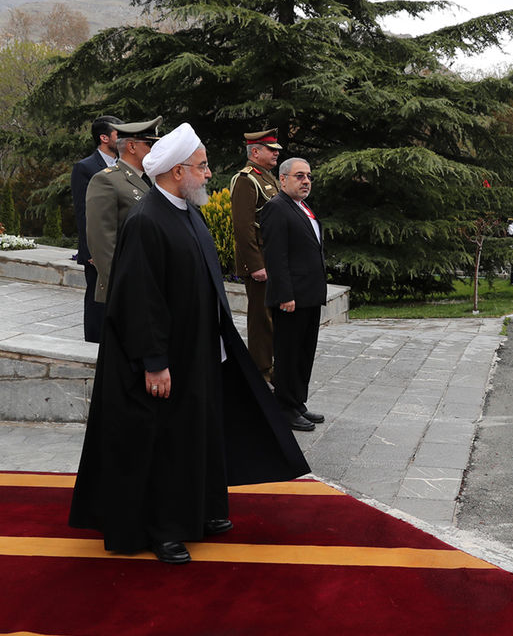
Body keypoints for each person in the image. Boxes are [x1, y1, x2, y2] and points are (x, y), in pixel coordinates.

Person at [69, 123, 309, 565]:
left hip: (199, 352)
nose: (208, 174)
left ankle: (201, 512)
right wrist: (155, 361)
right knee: (165, 444)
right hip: (165, 360)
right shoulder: (146, 220)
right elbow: (142, 299)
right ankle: (164, 529)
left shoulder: (187, 211)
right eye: (201, 167)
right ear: (178, 172)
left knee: (196, 437)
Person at [260, 157, 326, 432]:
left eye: (308, 176)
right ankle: (285, 407)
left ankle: (297, 402)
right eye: (299, 176)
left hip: (309, 295)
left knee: (303, 353)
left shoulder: (302, 207)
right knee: (288, 354)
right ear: (283, 179)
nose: (306, 181)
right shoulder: (276, 208)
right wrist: (285, 294)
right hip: (292, 298)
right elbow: (276, 256)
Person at [84, 117, 162, 304]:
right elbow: (101, 241)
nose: (154, 150)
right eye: (149, 144)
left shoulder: (151, 179)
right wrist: (119, 286)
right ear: (131, 147)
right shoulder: (107, 180)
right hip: (127, 285)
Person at [230, 129, 282, 382]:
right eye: (271, 150)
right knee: (261, 319)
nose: (276, 153)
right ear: (255, 152)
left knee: (271, 316)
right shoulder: (246, 180)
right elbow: (242, 226)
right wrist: (255, 264)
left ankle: (271, 366)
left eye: (276, 150)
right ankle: (261, 371)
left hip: (271, 257)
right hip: (259, 260)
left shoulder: (267, 178)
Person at [71, 115, 122, 342]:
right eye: (118, 133)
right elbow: (83, 212)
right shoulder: (85, 167)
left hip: (119, 244)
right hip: (97, 248)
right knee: (96, 296)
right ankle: (94, 342)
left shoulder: (125, 166)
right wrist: (90, 251)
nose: (122, 138)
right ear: (104, 138)